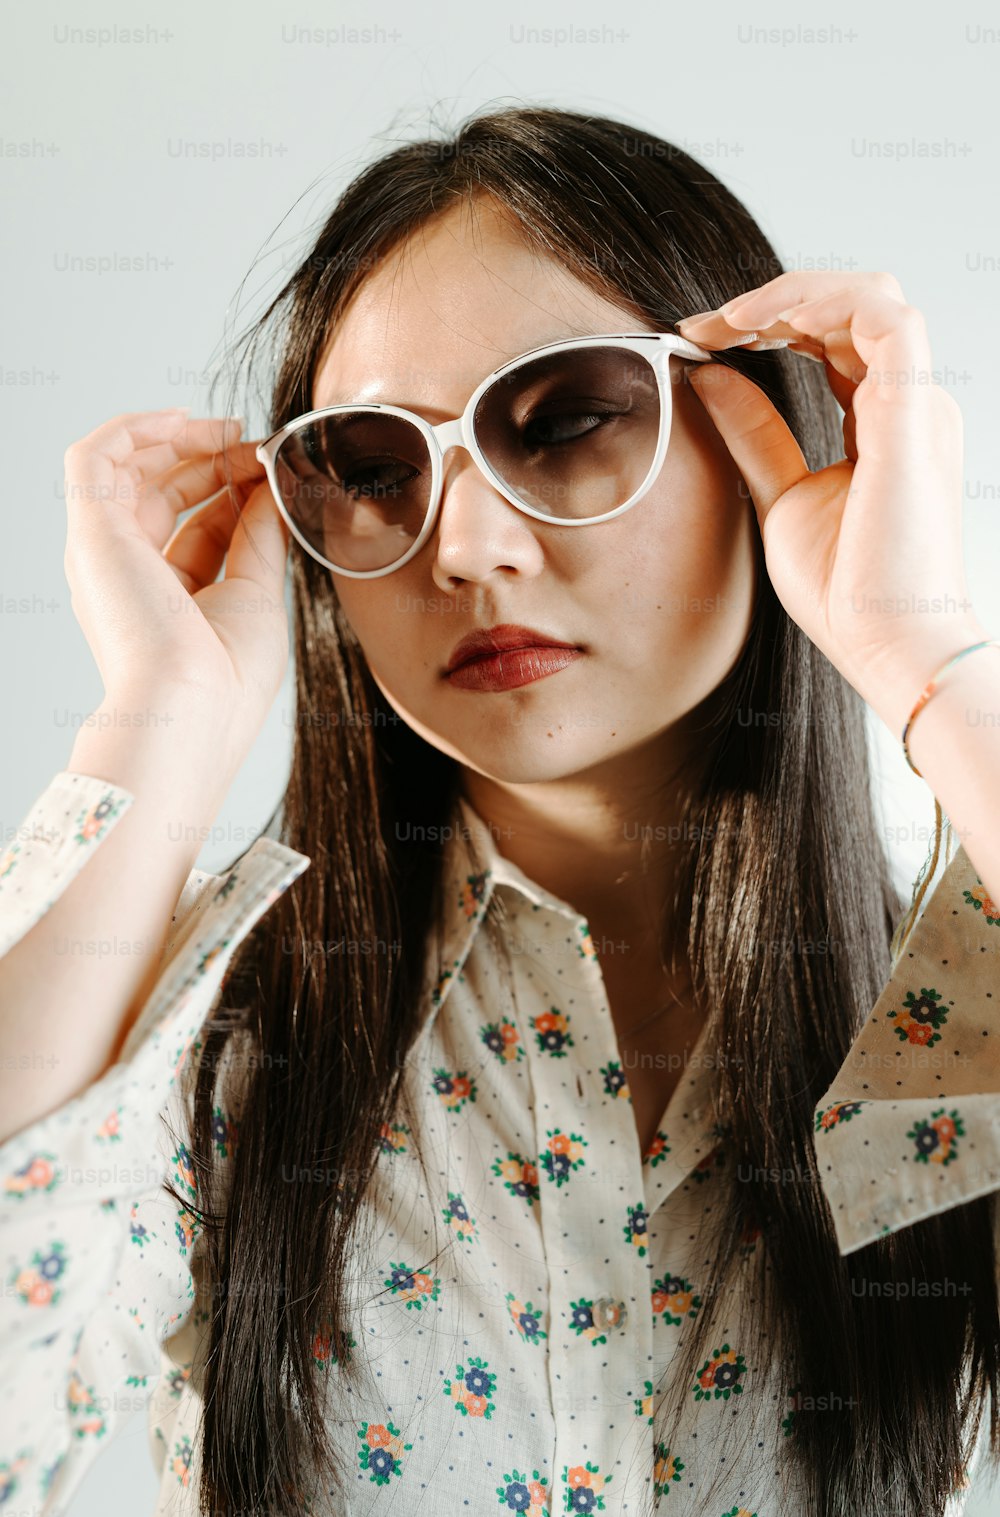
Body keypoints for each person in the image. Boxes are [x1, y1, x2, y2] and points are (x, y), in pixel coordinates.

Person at [2, 104, 1000, 1517]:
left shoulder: (944, 1042)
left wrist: (925, 654)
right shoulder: (218, 1056)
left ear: (762, 433)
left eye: (570, 419)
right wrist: (156, 723)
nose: (464, 546)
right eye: (375, 466)